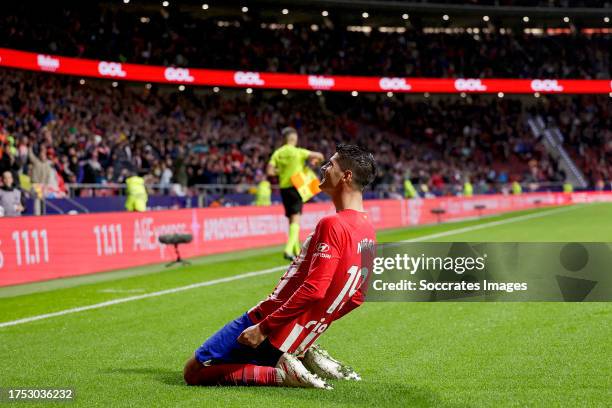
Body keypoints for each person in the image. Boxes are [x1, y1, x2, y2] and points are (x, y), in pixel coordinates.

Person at [184, 144, 377, 389]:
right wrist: (309, 327)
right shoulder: (369, 229)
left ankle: (281, 373)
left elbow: (315, 289)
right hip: (295, 328)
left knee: (194, 370)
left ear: (347, 176)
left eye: (331, 164)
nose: (323, 168)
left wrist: (263, 329)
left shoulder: (332, 224)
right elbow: (358, 296)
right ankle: (300, 354)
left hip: (268, 319)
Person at [267, 127, 324, 261]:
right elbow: (320, 156)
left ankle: (296, 250)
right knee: (296, 218)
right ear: (294, 138)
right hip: (296, 187)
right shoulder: (299, 152)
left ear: (284, 139)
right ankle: (288, 250)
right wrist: (315, 162)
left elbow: (270, 171)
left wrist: (282, 171)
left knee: (291, 220)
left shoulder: (278, 153)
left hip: (283, 188)